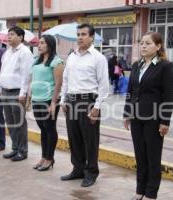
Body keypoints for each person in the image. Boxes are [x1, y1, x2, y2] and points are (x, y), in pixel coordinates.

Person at [123, 32, 173, 200]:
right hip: (136, 118)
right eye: (142, 43)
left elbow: (168, 96)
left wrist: (165, 121)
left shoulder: (165, 66)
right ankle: (140, 190)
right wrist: (127, 113)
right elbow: (130, 92)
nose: (143, 46)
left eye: (148, 43)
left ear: (158, 47)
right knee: (140, 155)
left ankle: (151, 193)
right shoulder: (137, 65)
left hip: (154, 119)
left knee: (153, 157)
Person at [60, 23, 109, 187]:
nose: (80, 37)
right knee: (74, 138)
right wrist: (63, 100)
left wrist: (97, 107)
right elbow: (65, 80)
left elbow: (103, 86)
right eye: (78, 34)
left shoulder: (98, 58)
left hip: (88, 102)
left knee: (90, 140)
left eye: (83, 34)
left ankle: (91, 172)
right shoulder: (72, 56)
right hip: (71, 101)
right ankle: (78, 169)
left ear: (92, 37)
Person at [0, 26, 34, 161]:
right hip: (5, 91)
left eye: (12, 34)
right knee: (10, 122)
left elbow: (27, 75)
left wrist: (23, 93)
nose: (9, 37)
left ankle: (22, 151)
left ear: (20, 37)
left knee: (19, 123)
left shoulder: (25, 52)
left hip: (17, 92)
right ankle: (14, 149)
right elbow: (2, 71)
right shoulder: (7, 52)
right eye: (8, 35)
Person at [30, 35, 64, 171]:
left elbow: (58, 84)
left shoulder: (57, 62)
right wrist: (29, 98)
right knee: (42, 130)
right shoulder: (36, 61)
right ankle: (44, 157)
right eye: (39, 43)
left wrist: (54, 103)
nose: (39, 45)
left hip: (49, 100)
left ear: (50, 45)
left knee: (49, 129)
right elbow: (32, 80)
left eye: (42, 43)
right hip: (36, 99)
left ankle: (50, 158)